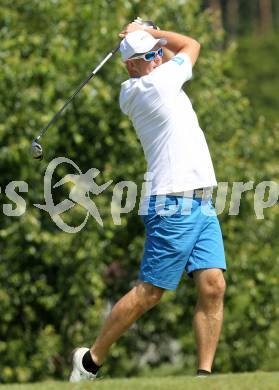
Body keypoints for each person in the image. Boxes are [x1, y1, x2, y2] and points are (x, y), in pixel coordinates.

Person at [70, 21, 226, 382]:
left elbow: (172, 56)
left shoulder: (151, 80)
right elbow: (192, 45)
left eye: (156, 53)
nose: (158, 58)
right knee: (151, 292)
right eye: (149, 55)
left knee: (213, 284)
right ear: (132, 65)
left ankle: (205, 375)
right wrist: (152, 28)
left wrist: (152, 38)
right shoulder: (153, 86)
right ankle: (91, 360)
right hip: (173, 201)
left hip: (200, 198)